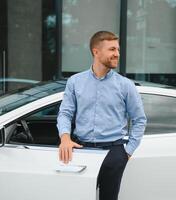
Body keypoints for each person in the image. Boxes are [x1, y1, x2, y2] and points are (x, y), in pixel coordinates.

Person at [57, 30, 147, 200]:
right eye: (112, 49)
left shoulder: (125, 85)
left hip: (113, 153)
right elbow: (65, 113)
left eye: (118, 50)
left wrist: (127, 152)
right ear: (96, 52)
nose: (117, 54)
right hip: (81, 150)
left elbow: (139, 119)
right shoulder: (75, 82)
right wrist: (65, 138)